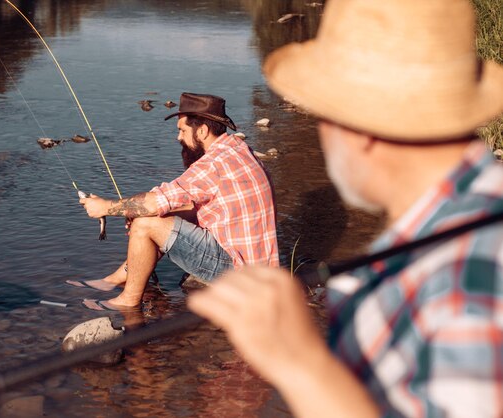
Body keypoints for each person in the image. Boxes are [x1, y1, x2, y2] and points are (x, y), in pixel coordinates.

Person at [188, 0, 503, 417]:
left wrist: (300, 363)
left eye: (323, 113)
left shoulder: (466, 273)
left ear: (362, 127)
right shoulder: (464, 218)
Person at [70, 92, 279, 309]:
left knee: (146, 223)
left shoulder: (213, 164)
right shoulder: (237, 149)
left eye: (182, 130)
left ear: (203, 131)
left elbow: (155, 201)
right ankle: (118, 277)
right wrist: (145, 211)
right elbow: (184, 202)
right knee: (159, 214)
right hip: (258, 268)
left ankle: (128, 301)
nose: (178, 137)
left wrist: (105, 207)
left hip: (239, 273)